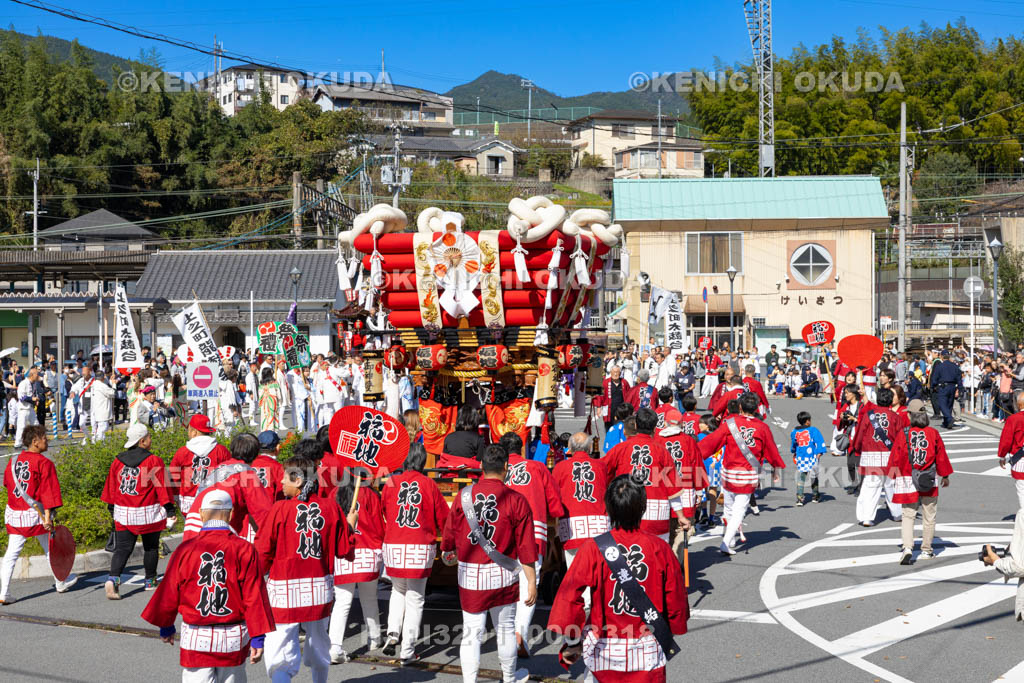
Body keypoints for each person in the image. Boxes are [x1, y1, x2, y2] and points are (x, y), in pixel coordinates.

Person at [547, 474, 689, 683]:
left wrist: (573, 640)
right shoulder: (659, 548)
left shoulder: (593, 547)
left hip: (604, 647)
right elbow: (675, 598)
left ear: (609, 508)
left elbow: (569, 595)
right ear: (643, 507)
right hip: (645, 648)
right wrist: (674, 628)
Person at [141, 489, 275, 682]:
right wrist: (258, 637)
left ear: (202, 515)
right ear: (231, 515)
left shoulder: (185, 549)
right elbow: (254, 595)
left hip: (196, 636)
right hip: (233, 636)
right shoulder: (245, 548)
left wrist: (167, 626)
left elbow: (169, 591)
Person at [440, 444, 538, 683]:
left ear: (481, 466)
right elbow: (526, 547)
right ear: (506, 468)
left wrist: (447, 554)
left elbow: (448, 539)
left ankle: (469, 680)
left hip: (470, 575)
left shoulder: (463, 496)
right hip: (503, 575)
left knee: (471, 632)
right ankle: (509, 677)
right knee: (505, 630)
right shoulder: (517, 500)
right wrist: (532, 581)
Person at [256, 454, 354, 683]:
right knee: (318, 639)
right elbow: (344, 550)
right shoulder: (330, 507)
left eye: (284, 478)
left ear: (298, 480)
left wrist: (253, 578)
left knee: (279, 642)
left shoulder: (279, 509)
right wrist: (350, 527)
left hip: (283, 589)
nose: (280, 482)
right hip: (318, 587)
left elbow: (262, 552)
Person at [379, 443, 450, 661]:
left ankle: (392, 634)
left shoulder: (390, 482)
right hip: (419, 546)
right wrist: (448, 543)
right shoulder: (428, 484)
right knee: (415, 598)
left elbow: (384, 512)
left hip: (393, 545)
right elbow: (444, 518)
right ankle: (408, 650)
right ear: (421, 461)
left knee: (398, 591)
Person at [498, 431, 565, 657]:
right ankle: (520, 633)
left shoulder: (497, 469)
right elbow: (555, 503)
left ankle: (505, 634)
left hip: (502, 532)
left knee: (504, 583)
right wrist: (555, 516)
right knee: (529, 581)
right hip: (533, 530)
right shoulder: (537, 468)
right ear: (522, 448)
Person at [698, 393, 785, 555]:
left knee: (729, 508)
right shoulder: (762, 427)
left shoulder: (729, 424)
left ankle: (730, 539)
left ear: (740, 407)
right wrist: (775, 468)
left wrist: (695, 453)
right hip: (748, 475)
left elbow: (711, 442)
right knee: (739, 510)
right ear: (758, 407)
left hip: (729, 472)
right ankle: (726, 542)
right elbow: (771, 451)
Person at [0, 424, 78, 603]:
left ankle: (4, 592)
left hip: (13, 512)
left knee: (11, 552)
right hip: (35, 514)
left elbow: (7, 484)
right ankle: (60, 581)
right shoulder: (44, 463)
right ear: (35, 442)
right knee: (50, 547)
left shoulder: (12, 461)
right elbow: (48, 492)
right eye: (44, 438)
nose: (47, 441)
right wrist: (48, 516)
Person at [102, 424, 176, 598]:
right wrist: (170, 510)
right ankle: (150, 581)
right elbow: (162, 488)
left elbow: (111, 487)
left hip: (123, 512)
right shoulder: (153, 461)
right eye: (149, 437)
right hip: (148, 512)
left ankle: (113, 580)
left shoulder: (118, 461)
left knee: (122, 549)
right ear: (142, 441)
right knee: (150, 547)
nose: (151, 439)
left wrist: (112, 508)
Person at [604, 407, 690, 543]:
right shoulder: (662, 451)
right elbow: (672, 487)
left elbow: (603, 472)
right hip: (656, 512)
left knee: (628, 552)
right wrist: (681, 515)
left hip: (627, 508)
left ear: (636, 425)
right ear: (655, 428)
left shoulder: (620, 449)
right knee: (657, 555)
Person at [329, 472, 385, 664]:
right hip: (368, 550)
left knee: (342, 602)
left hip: (342, 551)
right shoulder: (370, 495)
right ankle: (375, 638)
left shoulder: (334, 493)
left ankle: (334, 645)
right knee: (369, 598)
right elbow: (378, 525)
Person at [552, 432, 609, 613]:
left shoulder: (560, 468)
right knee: (598, 566)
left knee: (575, 567)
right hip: (598, 521)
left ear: (569, 448)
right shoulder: (601, 466)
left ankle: (582, 602)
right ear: (588, 448)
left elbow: (554, 497)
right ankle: (598, 600)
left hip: (572, 523)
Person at [182, 433, 275, 542]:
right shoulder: (247, 475)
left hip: (194, 522)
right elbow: (263, 514)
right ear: (256, 454)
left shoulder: (220, 468)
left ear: (231, 450)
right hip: (218, 527)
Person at [891, 408, 953, 565]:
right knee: (929, 515)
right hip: (928, 477)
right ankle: (926, 549)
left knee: (908, 514)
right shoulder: (933, 433)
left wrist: (893, 476)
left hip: (907, 477)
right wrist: (945, 475)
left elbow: (895, 456)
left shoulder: (904, 434)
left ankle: (907, 547)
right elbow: (941, 455)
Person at [851, 387, 904, 527]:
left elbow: (860, 434)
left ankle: (867, 517)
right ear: (890, 401)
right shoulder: (896, 418)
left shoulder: (869, 415)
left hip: (871, 454)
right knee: (891, 484)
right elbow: (901, 439)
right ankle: (897, 513)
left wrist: (856, 448)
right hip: (890, 454)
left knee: (870, 485)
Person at [170, 415, 232, 516]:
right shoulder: (221, 450)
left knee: (192, 529)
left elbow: (174, 477)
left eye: (189, 429)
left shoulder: (183, 452)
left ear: (194, 432)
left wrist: (175, 497)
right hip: (214, 501)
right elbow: (229, 476)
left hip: (188, 502)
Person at [791, 411, 826, 506]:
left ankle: (799, 498)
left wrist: (793, 452)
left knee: (801, 477)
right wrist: (820, 452)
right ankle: (815, 496)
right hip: (812, 457)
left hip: (801, 457)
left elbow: (794, 444)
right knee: (814, 476)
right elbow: (819, 441)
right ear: (807, 421)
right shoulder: (813, 430)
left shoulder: (794, 432)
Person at [998, 393, 1024, 511]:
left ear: (1018, 404)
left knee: (1022, 490)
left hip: (1020, 459)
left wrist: (1002, 456)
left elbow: (1006, 440)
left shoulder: (1014, 419)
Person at [930, 350, 963, 429]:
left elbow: (934, 378)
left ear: (941, 356)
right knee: (949, 405)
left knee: (942, 404)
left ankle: (949, 417)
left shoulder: (940, 366)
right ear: (949, 356)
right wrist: (959, 388)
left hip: (943, 387)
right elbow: (959, 378)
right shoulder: (955, 366)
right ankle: (947, 422)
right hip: (952, 387)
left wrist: (933, 386)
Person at [597, 365, 630, 431]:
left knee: (621, 428)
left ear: (620, 373)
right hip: (609, 409)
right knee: (609, 428)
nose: (615, 374)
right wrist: (598, 408)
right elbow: (601, 396)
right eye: (614, 372)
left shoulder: (624, 382)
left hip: (621, 410)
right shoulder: (605, 382)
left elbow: (629, 395)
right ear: (610, 373)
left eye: (617, 372)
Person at [13, 366, 39, 448]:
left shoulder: (33, 384)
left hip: (30, 408)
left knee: (36, 424)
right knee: (21, 426)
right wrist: (32, 399)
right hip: (23, 408)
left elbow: (33, 395)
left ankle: (36, 440)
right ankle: (18, 443)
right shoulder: (23, 383)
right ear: (32, 374)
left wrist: (35, 400)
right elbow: (21, 397)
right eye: (36, 374)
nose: (37, 375)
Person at [91, 372, 116, 442]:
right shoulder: (101, 386)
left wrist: (111, 381)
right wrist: (114, 384)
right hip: (102, 410)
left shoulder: (95, 384)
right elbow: (112, 393)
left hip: (97, 409)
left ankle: (97, 442)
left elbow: (106, 386)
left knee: (99, 428)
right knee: (103, 428)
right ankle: (99, 444)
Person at [259, 367, 282, 432]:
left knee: (265, 417)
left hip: (264, 402)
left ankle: (264, 431)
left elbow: (260, 394)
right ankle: (273, 432)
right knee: (273, 416)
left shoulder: (261, 383)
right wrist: (280, 400)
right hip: (273, 402)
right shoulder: (274, 382)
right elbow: (278, 394)